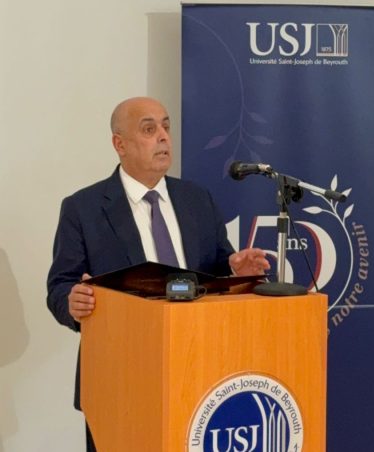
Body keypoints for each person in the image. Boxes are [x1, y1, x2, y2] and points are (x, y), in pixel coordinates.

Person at [46, 96, 270, 451]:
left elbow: (214, 270)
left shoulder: (197, 199)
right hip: (120, 378)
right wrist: (72, 303)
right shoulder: (83, 208)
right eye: (149, 129)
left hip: (200, 367)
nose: (163, 137)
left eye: (165, 126)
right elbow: (60, 286)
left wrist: (233, 268)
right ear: (120, 144)